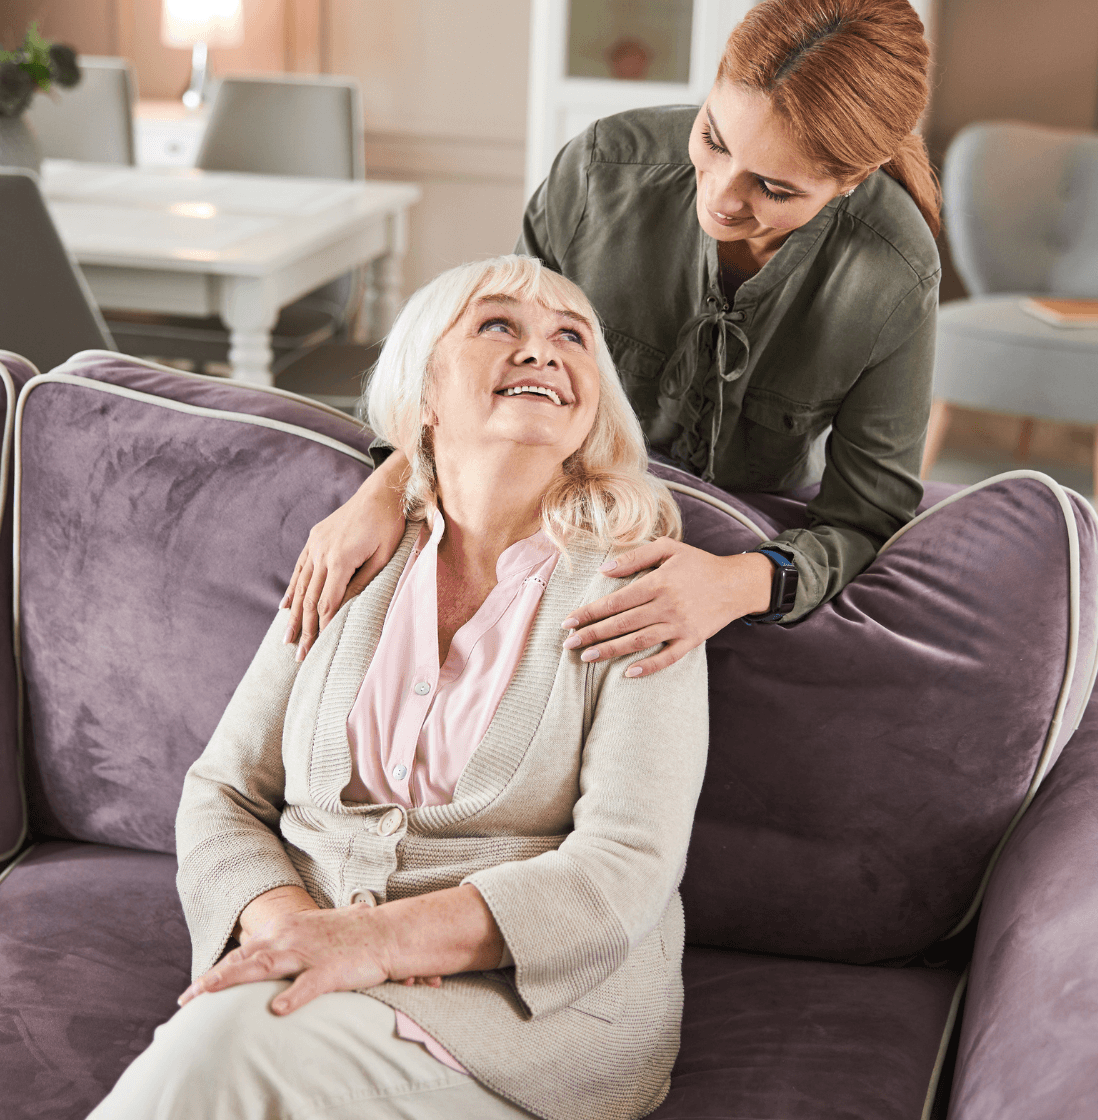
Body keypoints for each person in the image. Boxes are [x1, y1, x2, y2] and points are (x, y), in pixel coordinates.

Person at [87, 256, 708, 1120]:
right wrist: (294, 933)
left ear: (592, 403)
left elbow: (625, 867)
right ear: (425, 392)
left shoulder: (640, 591)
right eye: (499, 325)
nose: (542, 351)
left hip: (531, 1019)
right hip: (311, 959)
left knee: (222, 1051)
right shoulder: (353, 557)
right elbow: (222, 792)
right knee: (233, 1046)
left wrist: (370, 940)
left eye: (572, 337)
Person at [283, 0, 940, 676]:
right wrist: (387, 487)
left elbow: (866, 517)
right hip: (547, 524)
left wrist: (738, 583)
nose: (719, 197)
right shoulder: (599, 173)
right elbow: (484, 376)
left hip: (731, 551)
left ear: (852, 179)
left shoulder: (895, 273)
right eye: (714, 140)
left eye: (772, 187)